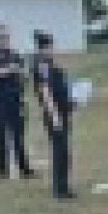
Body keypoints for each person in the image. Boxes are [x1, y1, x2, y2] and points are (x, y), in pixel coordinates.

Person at [0, 22, 31, 180]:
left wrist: (21, 72)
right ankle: (4, 172)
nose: (5, 39)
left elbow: (24, 73)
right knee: (2, 136)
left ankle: (24, 169)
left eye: (7, 36)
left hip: (15, 98)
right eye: (2, 36)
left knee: (18, 135)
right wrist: (3, 72)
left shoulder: (14, 54)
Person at [30, 30, 75, 199]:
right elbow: (45, 91)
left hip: (62, 111)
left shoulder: (48, 64)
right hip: (54, 114)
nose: (53, 49)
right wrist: (54, 115)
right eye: (50, 46)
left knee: (64, 151)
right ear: (43, 48)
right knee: (60, 151)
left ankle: (65, 186)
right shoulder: (41, 65)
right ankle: (60, 190)